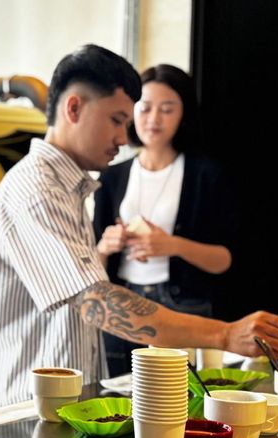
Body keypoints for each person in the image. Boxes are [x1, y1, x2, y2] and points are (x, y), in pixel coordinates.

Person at [0, 44, 278, 412]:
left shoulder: (68, 188)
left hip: (56, 408)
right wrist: (224, 333)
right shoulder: (37, 191)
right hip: (22, 412)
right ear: (73, 108)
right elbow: (97, 301)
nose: (124, 138)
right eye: (117, 119)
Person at [93, 64, 236, 376]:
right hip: (123, 302)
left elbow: (224, 259)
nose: (154, 119)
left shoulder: (205, 174)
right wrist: (105, 246)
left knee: (181, 399)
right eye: (144, 108)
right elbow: (91, 262)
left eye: (167, 109)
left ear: (183, 114)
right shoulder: (111, 175)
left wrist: (171, 245)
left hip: (184, 305)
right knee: (119, 396)